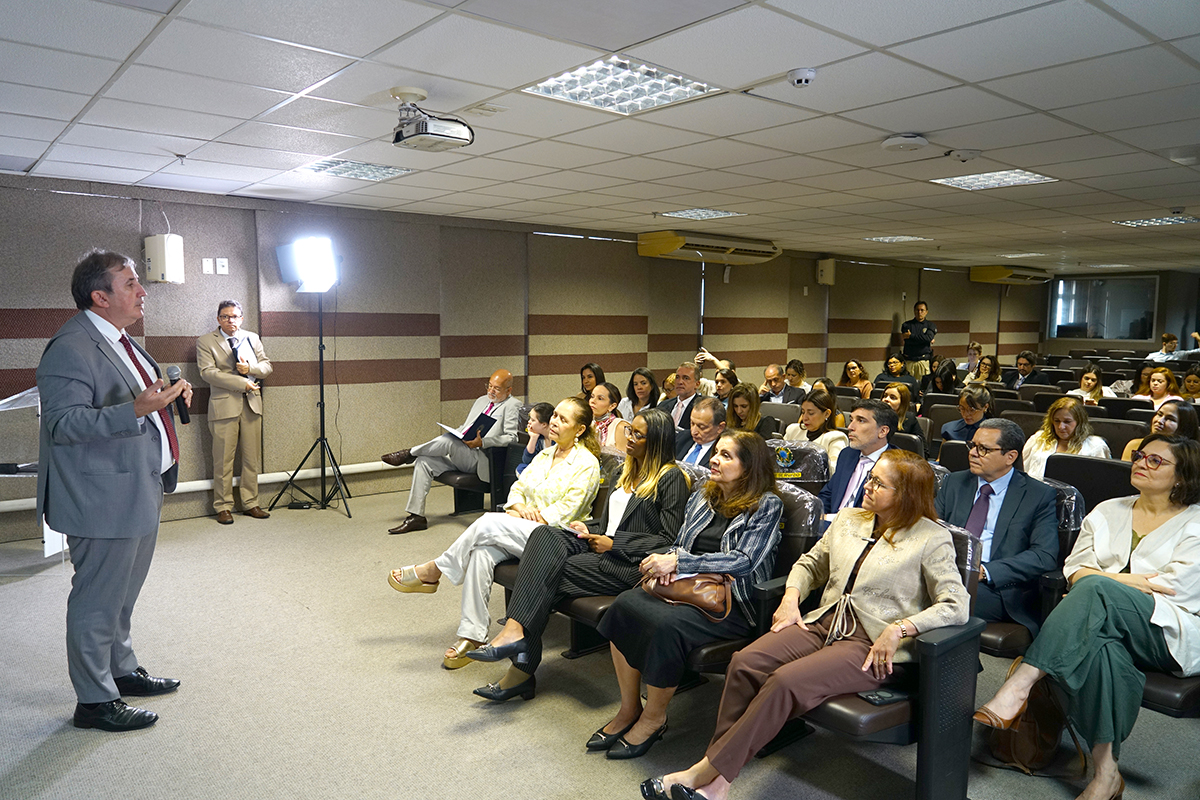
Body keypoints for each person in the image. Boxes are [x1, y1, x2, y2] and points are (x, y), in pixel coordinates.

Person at [645, 450, 969, 800]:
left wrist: (900, 629)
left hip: (870, 644)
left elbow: (955, 604)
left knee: (785, 681)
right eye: (870, 477)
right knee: (744, 662)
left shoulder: (930, 538)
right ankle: (718, 780)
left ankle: (707, 775)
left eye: (879, 483)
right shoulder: (849, 520)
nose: (868, 485)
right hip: (823, 622)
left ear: (905, 494)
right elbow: (810, 563)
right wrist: (790, 599)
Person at [974, 435, 1200, 800]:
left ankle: (1021, 684)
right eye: (1140, 455)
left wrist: (1102, 580)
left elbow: (1177, 589)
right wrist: (1122, 580)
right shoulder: (1109, 509)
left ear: (1183, 476)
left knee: (1095, 592)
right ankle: (1107, 773)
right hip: (1096, 621)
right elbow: (1074, 569)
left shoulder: (1196, 523)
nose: (1140, 462)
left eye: (1155, 461)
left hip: (1168, 631)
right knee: (1104, 651)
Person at [37, 250, 191, 732]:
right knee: (96, 599)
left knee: (122, 594)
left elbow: (139, 395)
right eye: (130, 283)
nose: (142, 291)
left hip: (138, 486)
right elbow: (62, 424)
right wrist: (137, 410)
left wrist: (167, 395)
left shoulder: (120, 338)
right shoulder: (71, 345)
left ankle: (120, 670)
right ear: (99, 297)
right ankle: (94, 700)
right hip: (100, 498)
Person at [465, 409, 690, 701]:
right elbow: (612, 521)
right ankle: (515, 638)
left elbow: (667, 539)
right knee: (543, 535)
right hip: (599, 544)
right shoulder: (625, 470)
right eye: (630, 432)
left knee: (542, 574)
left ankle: (519, 664)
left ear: (657, 441)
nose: (629, 438)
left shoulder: (671, 478)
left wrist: (614, 543)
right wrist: (590, 526)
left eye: (638, 434)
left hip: (628, 564)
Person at [592, 431, 783, 760]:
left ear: (749, 466)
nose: (714, 459)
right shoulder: (703, 494)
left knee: (667, 626)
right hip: (686, 588)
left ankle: (654, 718)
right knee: (624, 605)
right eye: (716, 452)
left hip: (731, 602)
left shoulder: (766, 505)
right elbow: (680, 541)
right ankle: (628, 709)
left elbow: (745, 561)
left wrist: (681, 561)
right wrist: (665, 563)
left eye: (726, 455)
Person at [388, 398, 601, 669]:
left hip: (556, 539)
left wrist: (535, 515)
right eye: (555, 416)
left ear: (580, 429)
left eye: (564, 420)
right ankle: (472, 635)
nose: (556, 422)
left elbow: (570, 509)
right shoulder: (545, 455)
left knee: (488, 521)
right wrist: (521, 507)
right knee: (482, 552)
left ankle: (434, 570)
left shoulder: (587, 463)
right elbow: (518, 488)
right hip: (524, 529)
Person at [936, 419, 1059, 634]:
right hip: (945, 571)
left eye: (983, 449)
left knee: (944, 601)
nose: (973, 453)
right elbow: (931, 529)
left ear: (1010, 457)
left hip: (996, 587)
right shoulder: (954, 483)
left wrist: (985, 571)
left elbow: (1044, 555)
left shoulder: (1037, 495)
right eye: (972, 445)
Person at [381, 369, 521, 534]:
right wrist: (459, 433)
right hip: (464, 454)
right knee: (424, 461)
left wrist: (483, 442)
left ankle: (408, 453)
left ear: (509, 390)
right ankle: (416, 516)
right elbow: (467, 426)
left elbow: (512, 438)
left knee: (447, 440)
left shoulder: (513, 405)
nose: (491, 391)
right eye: (489, 386)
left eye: (496, 388)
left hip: (483, 459)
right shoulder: (481, 401)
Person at [196, 299, 272, 524]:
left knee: (251, 458)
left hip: (252, 404)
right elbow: (207, 373)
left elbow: (266, 366)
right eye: (225, 316)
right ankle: (223, 506)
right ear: (218, 319)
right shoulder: (206, 341)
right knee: (223, 459)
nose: (231, 320)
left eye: (235, 316)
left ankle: (251, 503)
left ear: (242, 317)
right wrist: (241, 383)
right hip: (224, 406)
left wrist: (250, 369)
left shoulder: (253, 337)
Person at [818, 399, 897, 524]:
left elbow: (879, 515)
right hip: (830, 526)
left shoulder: (895, 465)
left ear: (883, 431)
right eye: (851, 420)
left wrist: (831, 520)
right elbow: (828, 494)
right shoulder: (847, 454)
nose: (850, 427)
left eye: (861, 421)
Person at [1022, 397, 1111, 480]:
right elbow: (1021, 471)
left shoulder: (1095, 446)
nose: (1061, 427)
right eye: (1057, 421)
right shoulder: (1038, 439)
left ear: (1079, 422)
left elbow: (1102, 481)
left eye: (1067, 422)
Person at [784, 389, 848, 474]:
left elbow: (834, 471)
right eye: (803, 412)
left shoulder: (835, 438)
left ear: (826, 414)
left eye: (811, 413)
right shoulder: (793, 430)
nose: (805, 418)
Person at [1120, 401, 1200, 461]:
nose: (1160, 421)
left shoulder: (1192, 456)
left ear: (1184, 426)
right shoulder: (1135, 445)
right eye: (1159, 414)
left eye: (1170, 419)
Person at [676, 396, 727, 465]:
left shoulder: (723, 453)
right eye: (692, 423)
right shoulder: (681, 438)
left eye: (701, 427)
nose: (694, 432)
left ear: (720, 427)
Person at [516, 402, 554, 476]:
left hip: (553, 470)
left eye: (533, 420)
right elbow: (526, 460)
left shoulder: (558, 439)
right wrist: (533, 438)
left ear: (544, 424)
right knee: (521, 468)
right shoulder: (540, 438)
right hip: (541, 469)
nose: (529, 422)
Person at [901, 300, 937, 380]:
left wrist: (912, 336)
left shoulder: (930, 325)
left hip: (923, 361)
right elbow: (908, 341)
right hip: (909, 361)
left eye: (922, 310)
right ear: (914, 311)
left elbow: (928, 338)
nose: (919, 312)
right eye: (917, 310)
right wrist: (924, 340)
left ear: (926, 312)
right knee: (908, 386)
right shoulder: (907, 325)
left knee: (922, 387)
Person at [660, 362, 700, 429]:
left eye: (686, 378)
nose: (680, 382)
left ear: (697, 384)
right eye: (677, 377)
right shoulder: (663, 406)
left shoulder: (703, 407)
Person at [591, 381, 630, 449]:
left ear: (612, 406)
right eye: (592, 396)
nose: (592, 401)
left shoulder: (621, 427)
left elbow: (626, 458)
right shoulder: (588, 425)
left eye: (600, 398)